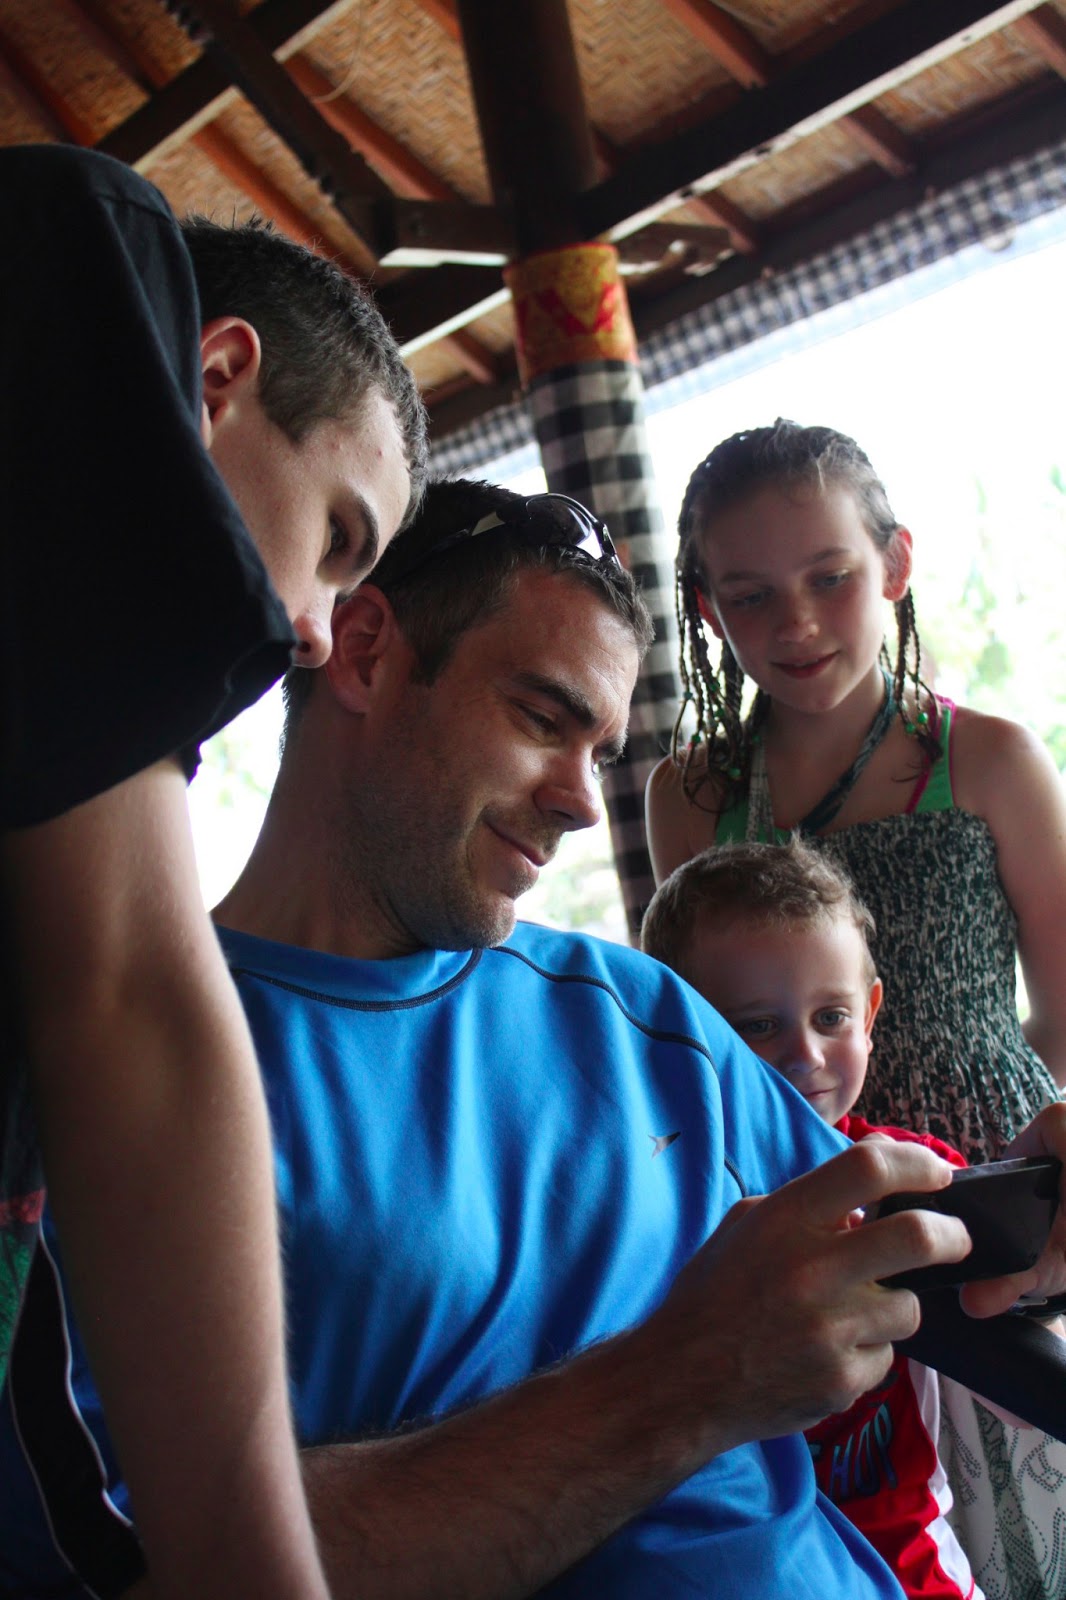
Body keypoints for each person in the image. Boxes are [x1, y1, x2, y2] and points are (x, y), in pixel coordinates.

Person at [5, 477, 1066, 1600]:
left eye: (600, 751)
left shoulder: (639, 1010)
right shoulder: (119, 1081)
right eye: (543, 719)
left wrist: (1032, 1214)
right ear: (364, 653)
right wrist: (683, 1383)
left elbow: (908, 1255)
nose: (582, 802)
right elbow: (135, 1568)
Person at [1, 142, 425, 1600]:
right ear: (213, 376)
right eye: (334, 540)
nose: (310, 630)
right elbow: (128, 998)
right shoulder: (76, 253)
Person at [644, 419, 1066, 1598]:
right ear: (708, 609)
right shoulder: (690, 797)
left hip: (994, 1199)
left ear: (894, 563)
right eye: (749, 595)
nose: (795, 623)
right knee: (873, 1530)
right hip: (811, 1215)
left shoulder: (988, 757)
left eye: (828, 576)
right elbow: (694, 1031)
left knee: (1031, 1523)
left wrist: (1008, 1173)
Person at [642, 836, 991, 1599]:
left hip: (910, 1556)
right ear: (679, 1033)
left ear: (870, 1014)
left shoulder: (916, 1175)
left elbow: (1012, 1335)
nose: (804, 1056)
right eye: (758, 1026)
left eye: (831, 1016)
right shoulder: (657, 1208)